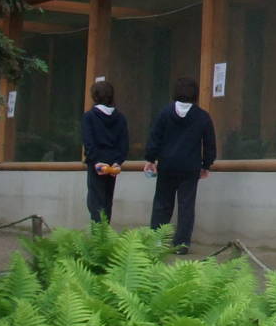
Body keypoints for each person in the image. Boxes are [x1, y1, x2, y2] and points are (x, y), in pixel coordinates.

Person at [143, 75, 217, 254]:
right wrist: (206, 165)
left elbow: (155, 137)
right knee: (186, 206)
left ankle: (157, 242)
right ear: (196, 94)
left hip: (167, 166)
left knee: (162, 204)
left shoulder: (165, 113)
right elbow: (209, 143)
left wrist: (150, 159)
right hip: (190, 168)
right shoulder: (202, 117)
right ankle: (181, 244)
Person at [80, 79, 129, 224]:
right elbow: (124, 144)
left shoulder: (89, 117)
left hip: (97, 164)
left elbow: (88, 142)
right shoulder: (120, 118)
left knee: (95, 202)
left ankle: (98, 240)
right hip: (113, 165)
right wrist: (118, 162)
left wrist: (95, 161)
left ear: (94, 96)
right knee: (108, 202)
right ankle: (105, 236)